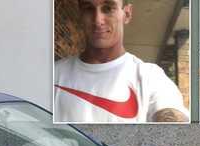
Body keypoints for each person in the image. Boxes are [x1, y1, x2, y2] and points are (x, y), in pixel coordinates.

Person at [54, 0, 189, 123]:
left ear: (127, 14)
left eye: (108, 8)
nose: (98, 20)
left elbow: (174, 122)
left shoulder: (150, 76)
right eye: (88, 8)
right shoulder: (53, 75)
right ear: (80, 14)